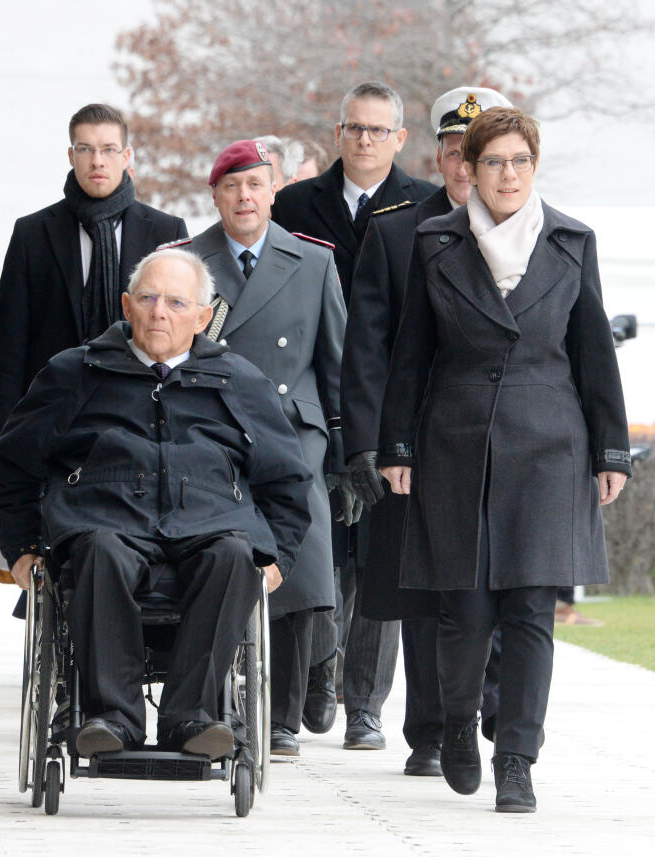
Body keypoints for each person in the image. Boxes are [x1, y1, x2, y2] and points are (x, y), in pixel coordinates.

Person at [379, 107, 630, 812]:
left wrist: (612, 450)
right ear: (471, 168)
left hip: (550, 443)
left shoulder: (572, 241)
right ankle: (459, 721)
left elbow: (594, 354)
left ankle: (517, 757)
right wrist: (396, 445)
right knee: (463, 608)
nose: (508, 174)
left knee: (530, 610)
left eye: (520, 161)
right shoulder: (434, 242)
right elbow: (410, 356)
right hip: (455, 440)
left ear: (535, 165)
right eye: (493, 162)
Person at [0, 248, 312, 758]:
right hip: (104, 518)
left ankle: (194, 719)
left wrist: (279, 557)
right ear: (126, 305)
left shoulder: (239, 380)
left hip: (211, 523)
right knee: (98, 550)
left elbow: (288, 478)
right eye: (148, 298)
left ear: (203, 318)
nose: (160, 311)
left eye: (177, 302)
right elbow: (12, 461)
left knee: (235, 556)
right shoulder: (76, 372)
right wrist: (23, 545)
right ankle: (111, 718)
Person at [345, 86, 512, 771]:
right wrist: (374, 443)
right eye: (452, 151)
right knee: (421, 589)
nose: (464, 166)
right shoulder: (394, 231)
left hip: (499, 439)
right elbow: (368, 350)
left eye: (475, 153)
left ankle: (494, 705)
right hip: (417, 442)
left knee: (499, 576)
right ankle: (431, 729)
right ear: (439, 155)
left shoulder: (523, 230)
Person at [271, 81, 436, 742]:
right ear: (338, 134)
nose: (365, 140)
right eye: (354, 129)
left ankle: (364, 705)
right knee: (320, 549)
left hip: (394, 400)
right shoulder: (294, 204)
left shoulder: (424, 207)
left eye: (378, 130)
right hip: (312, 395)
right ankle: (317, 670)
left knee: (381, 557)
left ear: (399, 138)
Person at [184, 140, 351, 756]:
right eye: (232, 187)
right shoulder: (187, 261)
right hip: (214, 430)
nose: (245, 197)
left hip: (292, 433)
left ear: (273, 191)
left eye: (256, 185)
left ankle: (284, 712)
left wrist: (346, 451)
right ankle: (223, 701)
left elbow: (337, 364)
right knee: (225, 554)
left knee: (299, 565)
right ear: (216, 195)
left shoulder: (311, 262)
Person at [0, 103, 188, 439]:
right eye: (86, 149)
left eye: (109, 149)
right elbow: (10, 341)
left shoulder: (166, 231)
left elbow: (183, 335)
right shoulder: (33, 233)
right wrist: (2, 432)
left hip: (144, 415)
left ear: (126, 157)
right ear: (71, 156)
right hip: (52, 415)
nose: (97, 160)